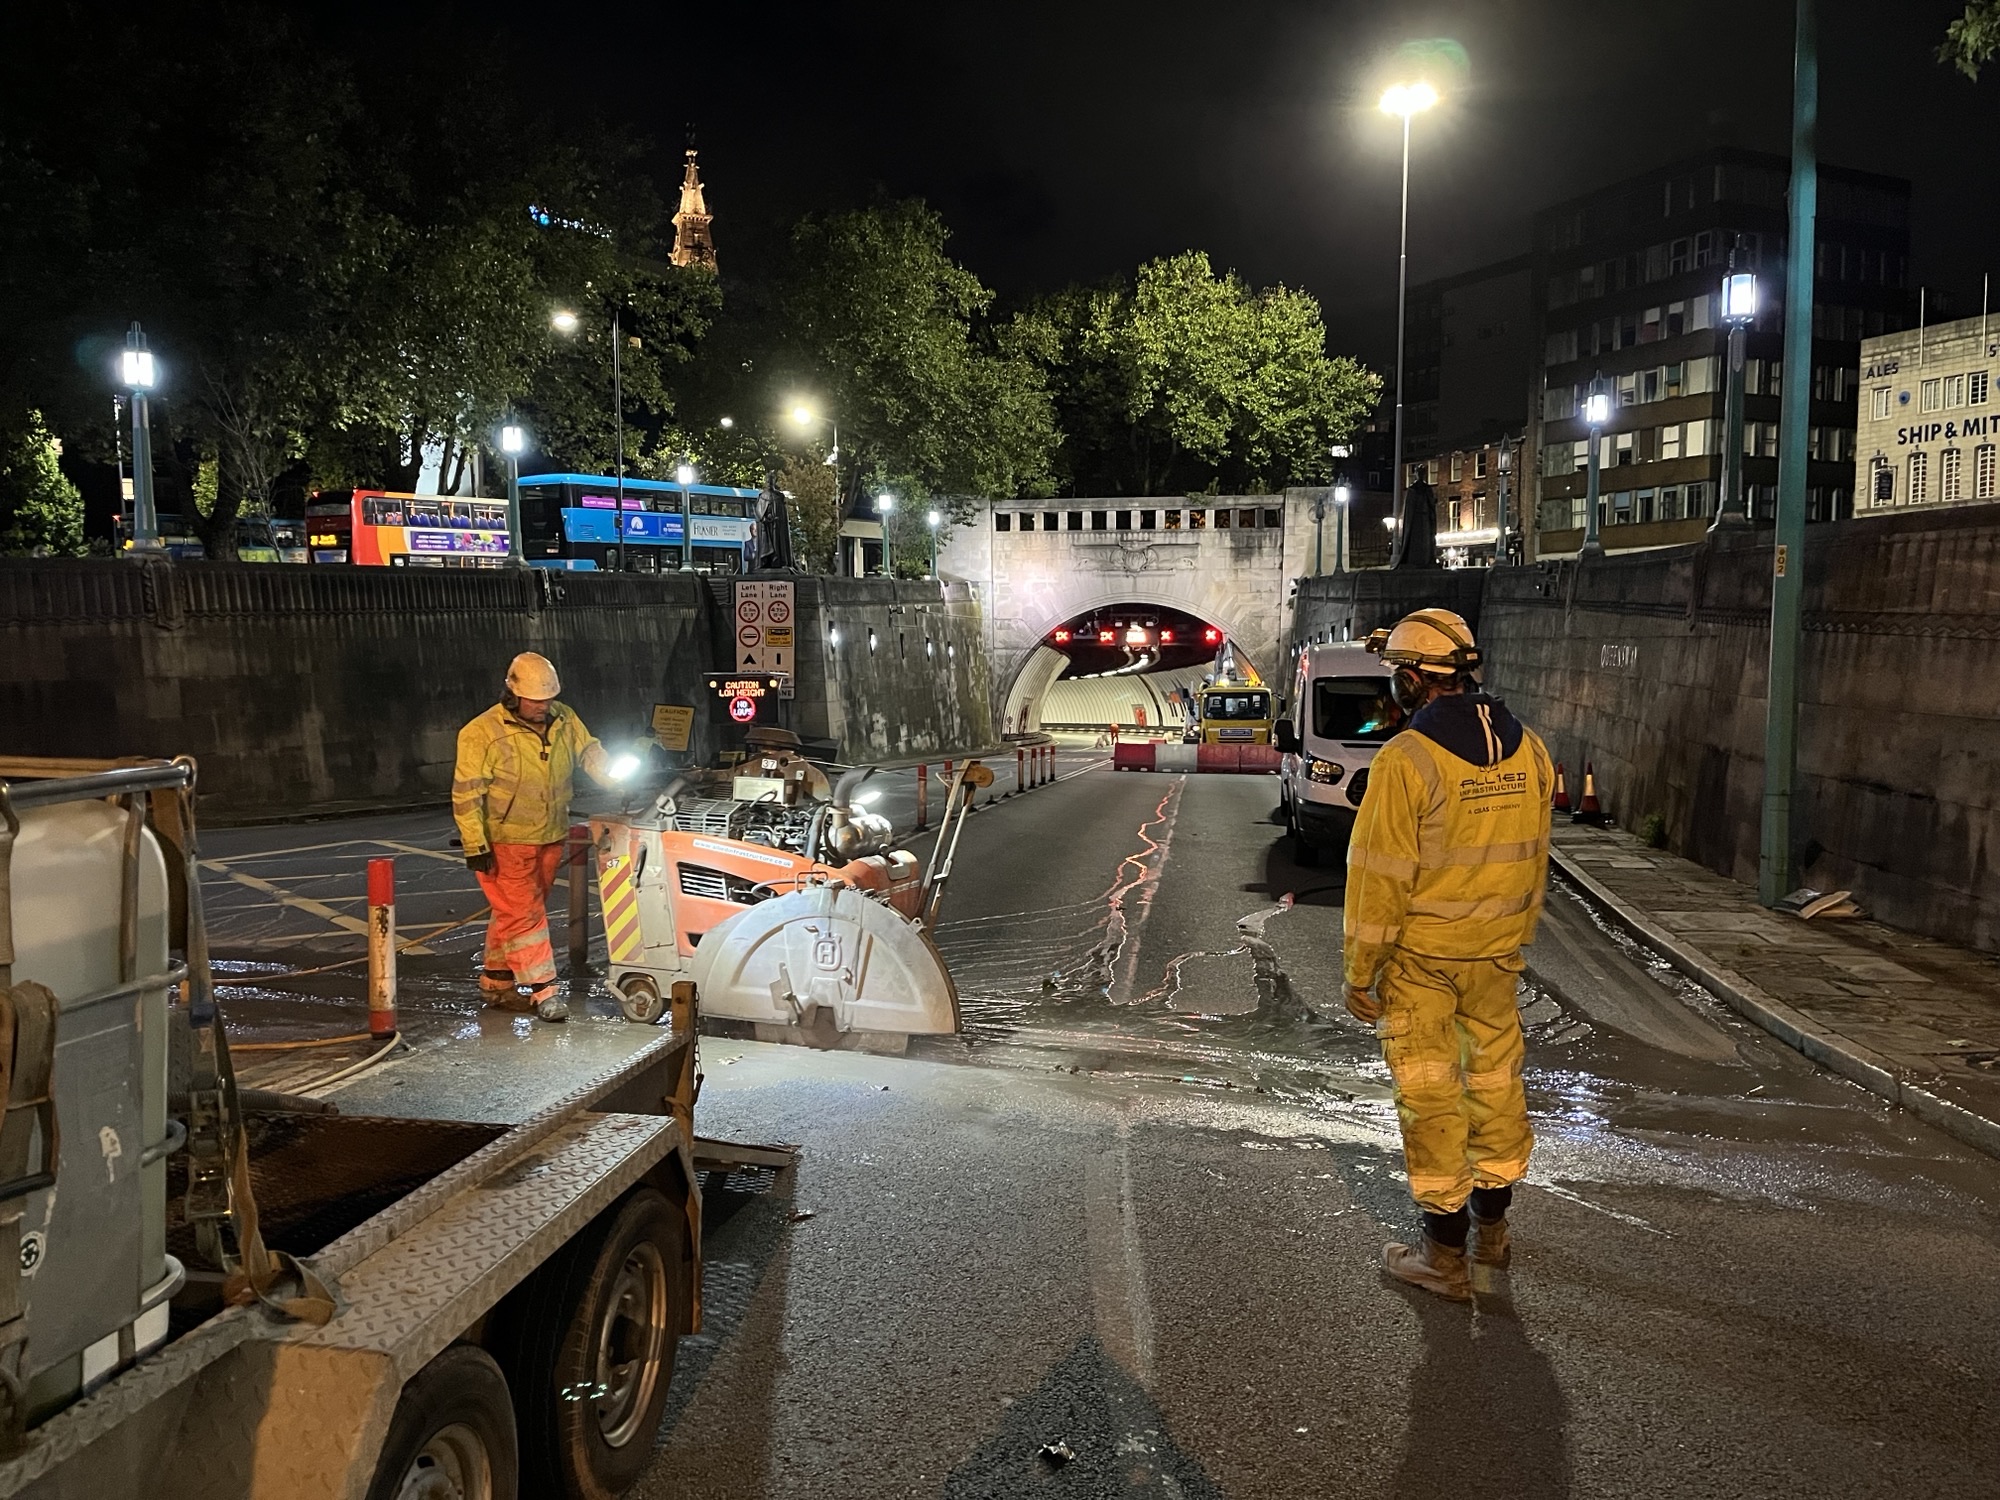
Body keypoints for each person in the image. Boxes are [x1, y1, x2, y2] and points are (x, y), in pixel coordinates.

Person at [1342, 607, 1554, 1301]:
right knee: (1495, 1090)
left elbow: (1379, 880)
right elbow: (1534, 862)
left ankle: (1443, 1259)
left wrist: (1361, 973)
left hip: (1422, 965)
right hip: (1496, 959)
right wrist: (1511, 936)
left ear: (1411, 681)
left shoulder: (1407, 761)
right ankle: (1494, 1235)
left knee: (1433, 1099)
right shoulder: (1532, 751)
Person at [452, 652, 616, 1022]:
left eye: (547, 700)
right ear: (513, 694)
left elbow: (588, 750)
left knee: (513, 913)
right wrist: (476, 844)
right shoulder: (480, 733)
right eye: (534, 701)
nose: (542, 707)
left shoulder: (564, 718)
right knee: (524, 915)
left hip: (549, 834)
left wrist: (611, 775)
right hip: (504, 839)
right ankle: (545, 990)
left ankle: (496, 981)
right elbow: (466, 794)